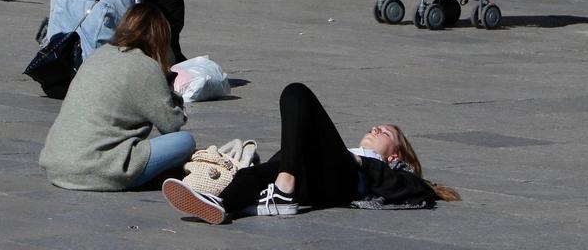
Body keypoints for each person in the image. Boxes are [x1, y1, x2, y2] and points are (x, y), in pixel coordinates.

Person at [162, 82, 458, 225]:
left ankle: (284, 190)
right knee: (258, 173)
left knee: (297, 93)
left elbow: (418, 190)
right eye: (376, 126)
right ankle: (221, 204)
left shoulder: (394, 171)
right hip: (311, 177)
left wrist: (360, 161)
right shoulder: (352, 151)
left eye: (386, 133)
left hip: (344, 179)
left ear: (395, 155)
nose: (375, 129)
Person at [39, 3, 192, 191]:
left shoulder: (99, 54)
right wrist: (170, 89)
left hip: (57, 165)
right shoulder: (145, 66)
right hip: (96, 169)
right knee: (185, 141)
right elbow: (171, 125)